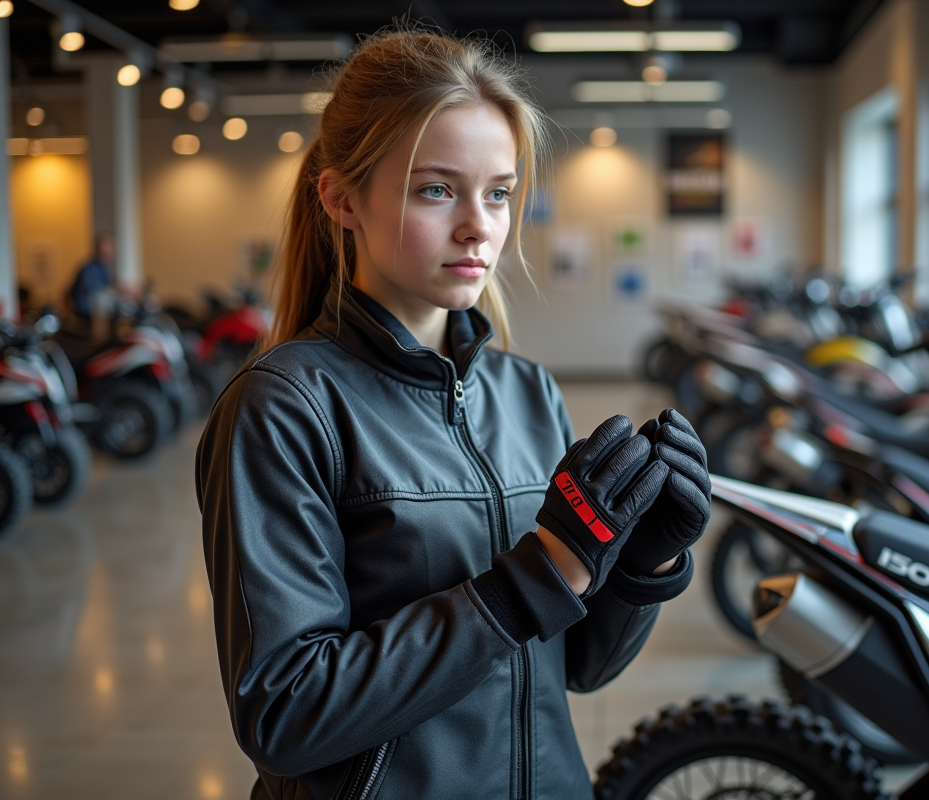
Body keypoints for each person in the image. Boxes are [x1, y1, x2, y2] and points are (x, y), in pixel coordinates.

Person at [195, 29, 711, 800]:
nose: (480, 225)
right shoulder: (284, 406)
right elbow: (285, 714)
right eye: (436, 190)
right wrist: (538, 574)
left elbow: (577, 665)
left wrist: (644, 565)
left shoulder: (528, 392)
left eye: (498, 193)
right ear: (342, 199)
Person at [68, 232, 115, 318]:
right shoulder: (89, 268)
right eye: (106, 245)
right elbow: (91, 288)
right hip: (87, 311)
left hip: (99, 311)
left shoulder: (105, 267)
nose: (109, 250)